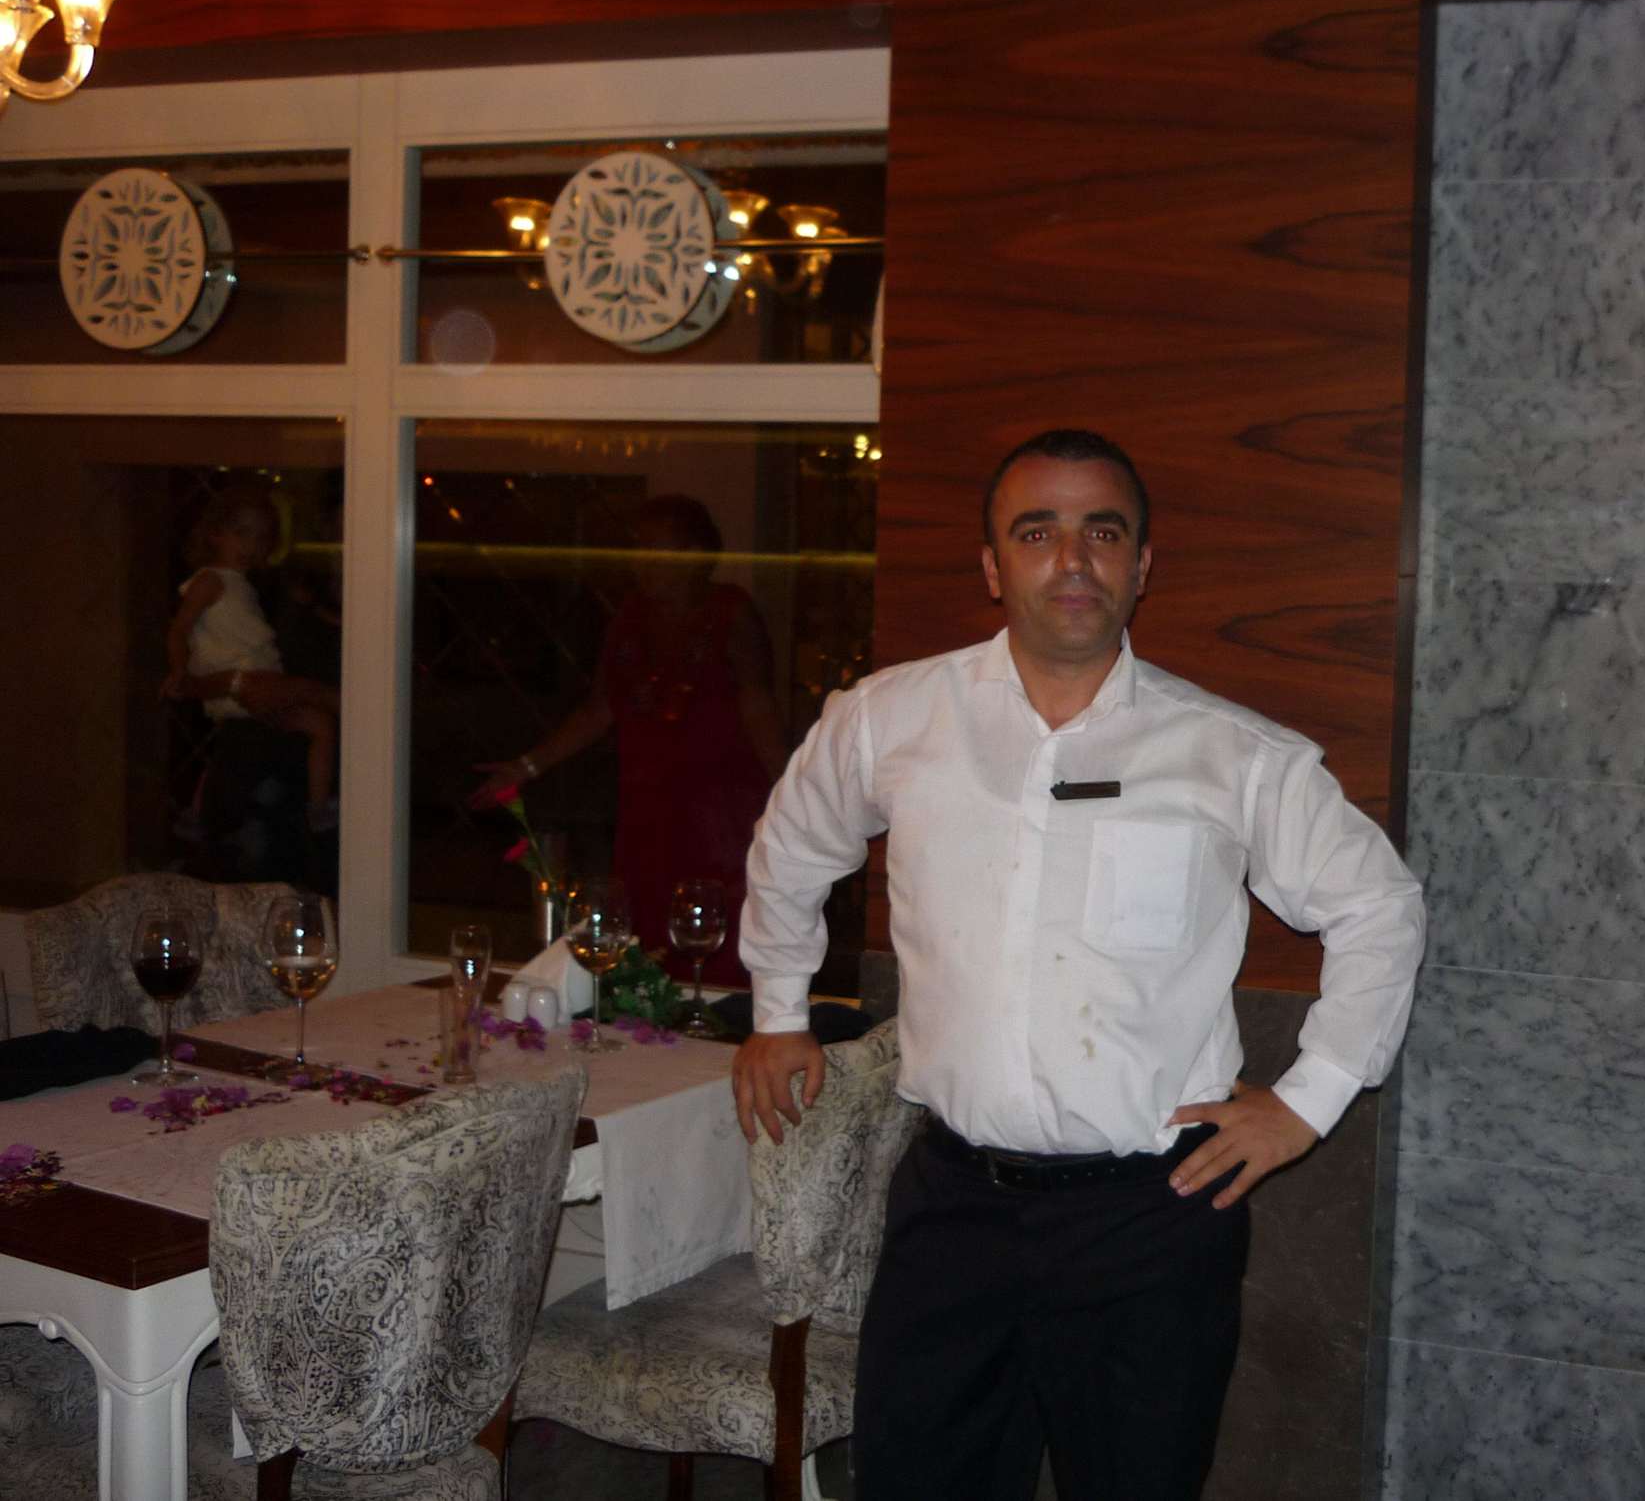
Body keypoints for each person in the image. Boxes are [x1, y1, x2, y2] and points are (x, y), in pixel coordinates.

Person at [731, 429, 1424, 1500]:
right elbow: (793, 844)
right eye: (1036, 532)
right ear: (991, 566)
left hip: (1151, 1221)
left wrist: (1310, 1099)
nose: (1071, 561)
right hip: (952, 1212)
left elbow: (1379, 904)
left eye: (1102, 534)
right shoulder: (890, 718)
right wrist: (778, 1010)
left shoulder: (1231, 754)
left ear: (1141, 566)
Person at [472, 495, 787, 983]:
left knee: (715, 928)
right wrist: (526, 767)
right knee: (643, 929)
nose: (642, 562)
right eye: (639, 549)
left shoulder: (730, 614)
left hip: (718, 815)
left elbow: (758, 707)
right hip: (647, 811)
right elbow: (600, 709)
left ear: (696, 556)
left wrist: (792, 792)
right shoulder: (630, 618)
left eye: (657, 549)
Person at [163, 485, 342, 829]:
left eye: (260, 538)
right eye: (241, 533)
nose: (250, 545)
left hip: (262, 684)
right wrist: (178, 670)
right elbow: (179, 629)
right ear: (215, 533)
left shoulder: (245, 585)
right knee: (260, 734)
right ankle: (206, 811)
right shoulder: (210, 581)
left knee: (319, 726)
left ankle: (318, 808)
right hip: (240, 683)